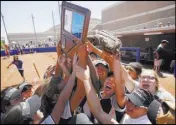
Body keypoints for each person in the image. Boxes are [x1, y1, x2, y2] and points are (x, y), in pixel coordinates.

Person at [75, 64, 154, 124]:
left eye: (136, 105)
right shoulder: (127, 117)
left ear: (146, 110)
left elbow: (98, 112)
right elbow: (98, 112)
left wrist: (86, 79)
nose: (130, 105)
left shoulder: (116, 103)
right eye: (130, 101)